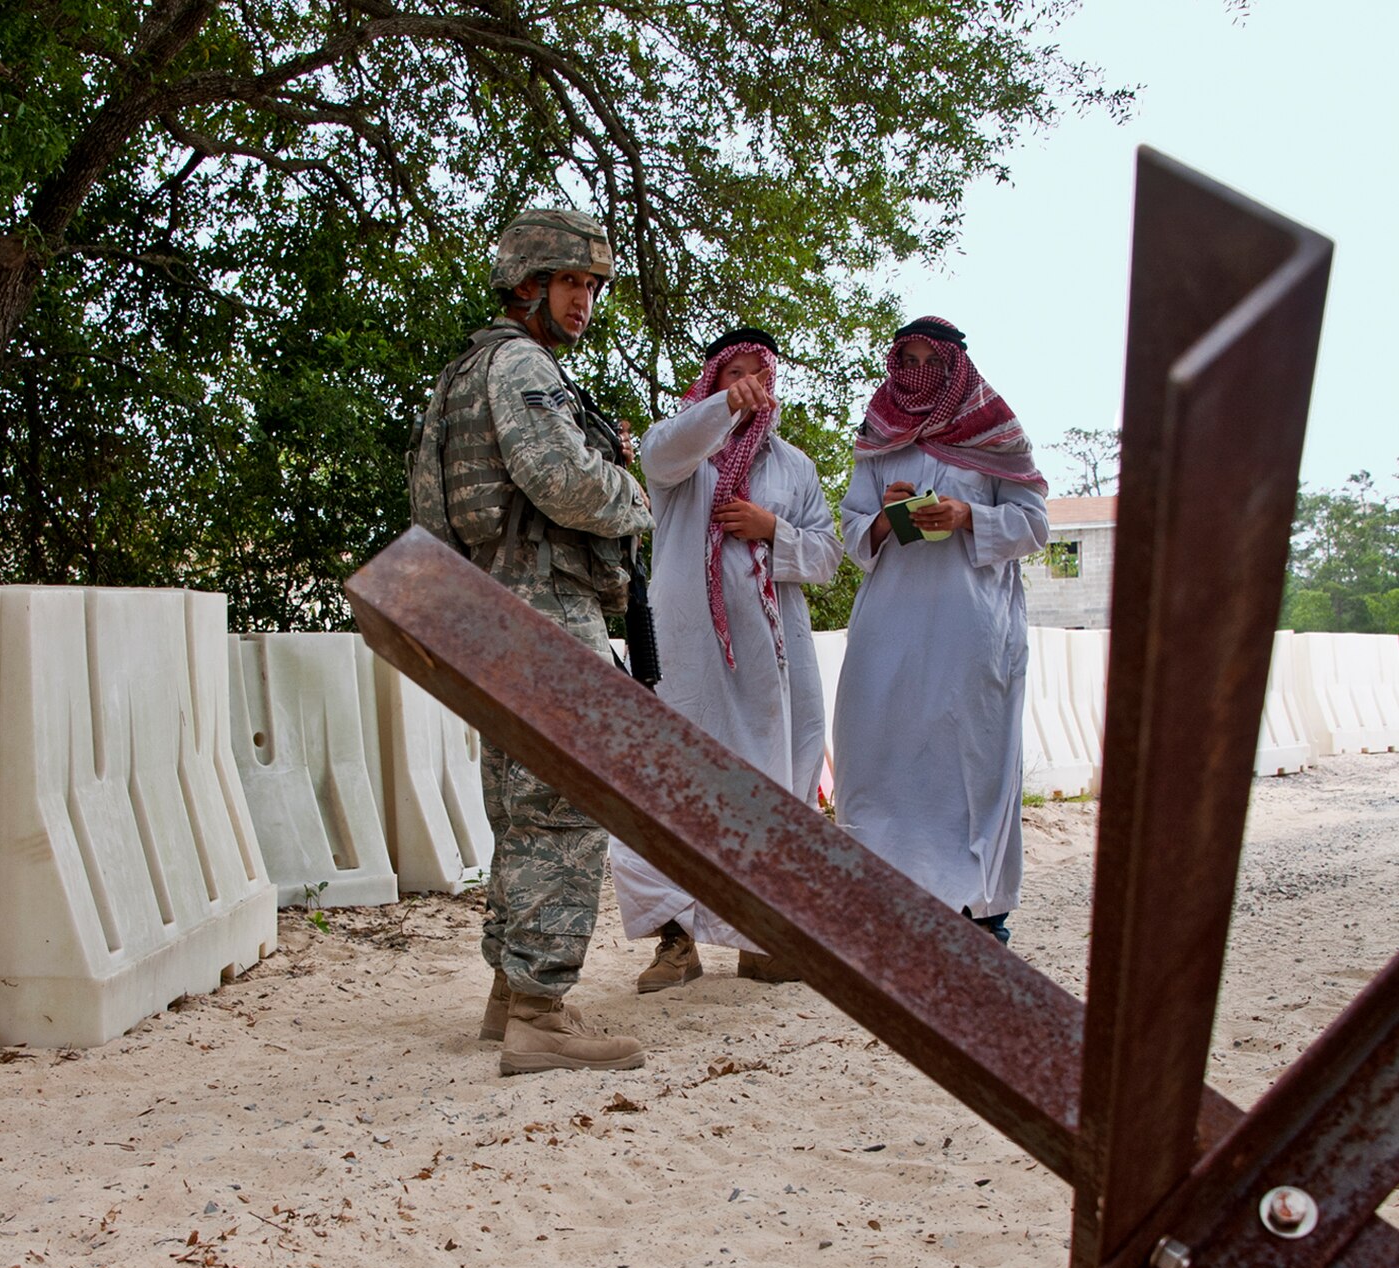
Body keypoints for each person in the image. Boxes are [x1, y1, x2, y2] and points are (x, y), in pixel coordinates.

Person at [411, 208, 654, 1072]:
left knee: (520, 807)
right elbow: (561, 482)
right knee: (566, 800)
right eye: (571, 283)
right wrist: (631, 492)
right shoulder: (522, 366)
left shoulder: (467, 371)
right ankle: (542, 1017)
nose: (585, 300)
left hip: (487, 608)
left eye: (592, 286)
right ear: (527, 285)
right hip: (543, 603)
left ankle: (509, 997)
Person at [609, 329, 843, 989]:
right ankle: (675, 943)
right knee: (670, 787)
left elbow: (827, 555)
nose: (747, 387)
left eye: (757, 376)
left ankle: (761, 937)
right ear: (711, 381)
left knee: (767, 790)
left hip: (770, 659)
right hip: (684, 653)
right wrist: (720, 412)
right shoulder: (685, 448)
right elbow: (659, 453)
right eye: (732, 374)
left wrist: (774, 530)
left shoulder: (792, 465)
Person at [833, 316, 1048, 944]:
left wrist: (966, 515)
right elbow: (850, 530)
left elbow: (1033, 525)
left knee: (969, 770)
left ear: (955, 366)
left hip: (971, 632)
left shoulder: (994, 431)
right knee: (881, 762)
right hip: (890, 632)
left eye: (932, 361)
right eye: (908, 359)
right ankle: (893, 913)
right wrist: (884, 515)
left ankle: (981, 923)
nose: (917, 373)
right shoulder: (880, 435)